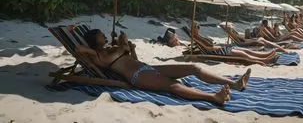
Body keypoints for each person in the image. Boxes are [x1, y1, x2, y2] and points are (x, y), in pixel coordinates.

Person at [77, 29, 251, 105]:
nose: (103, 35)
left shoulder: (110, 49)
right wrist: (89, 45)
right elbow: (79, 49)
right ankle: (214, 97)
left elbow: (132, 59)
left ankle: (234, 83)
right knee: (172, 85)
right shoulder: (98, 55)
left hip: (146, 66)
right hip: (138, 76)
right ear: (95, 40)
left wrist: (130, 49)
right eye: (100, 34)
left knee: (194, 68)